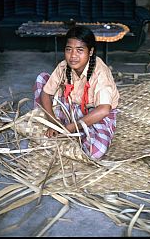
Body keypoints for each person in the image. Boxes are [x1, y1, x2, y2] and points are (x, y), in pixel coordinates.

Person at [33, 26, 119, 160]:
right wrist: (53, 122)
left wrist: (70, 128)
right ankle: (59, 129)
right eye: (69, 49)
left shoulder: (100, 72)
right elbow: (45, 93)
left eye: (79, 50)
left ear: (90, 52)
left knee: (95, 151)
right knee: (42, 79)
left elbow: (104, 109)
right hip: (71, 108)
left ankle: (74, 134)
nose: (73, 56)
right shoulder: (63, 66)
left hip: (94, 113)